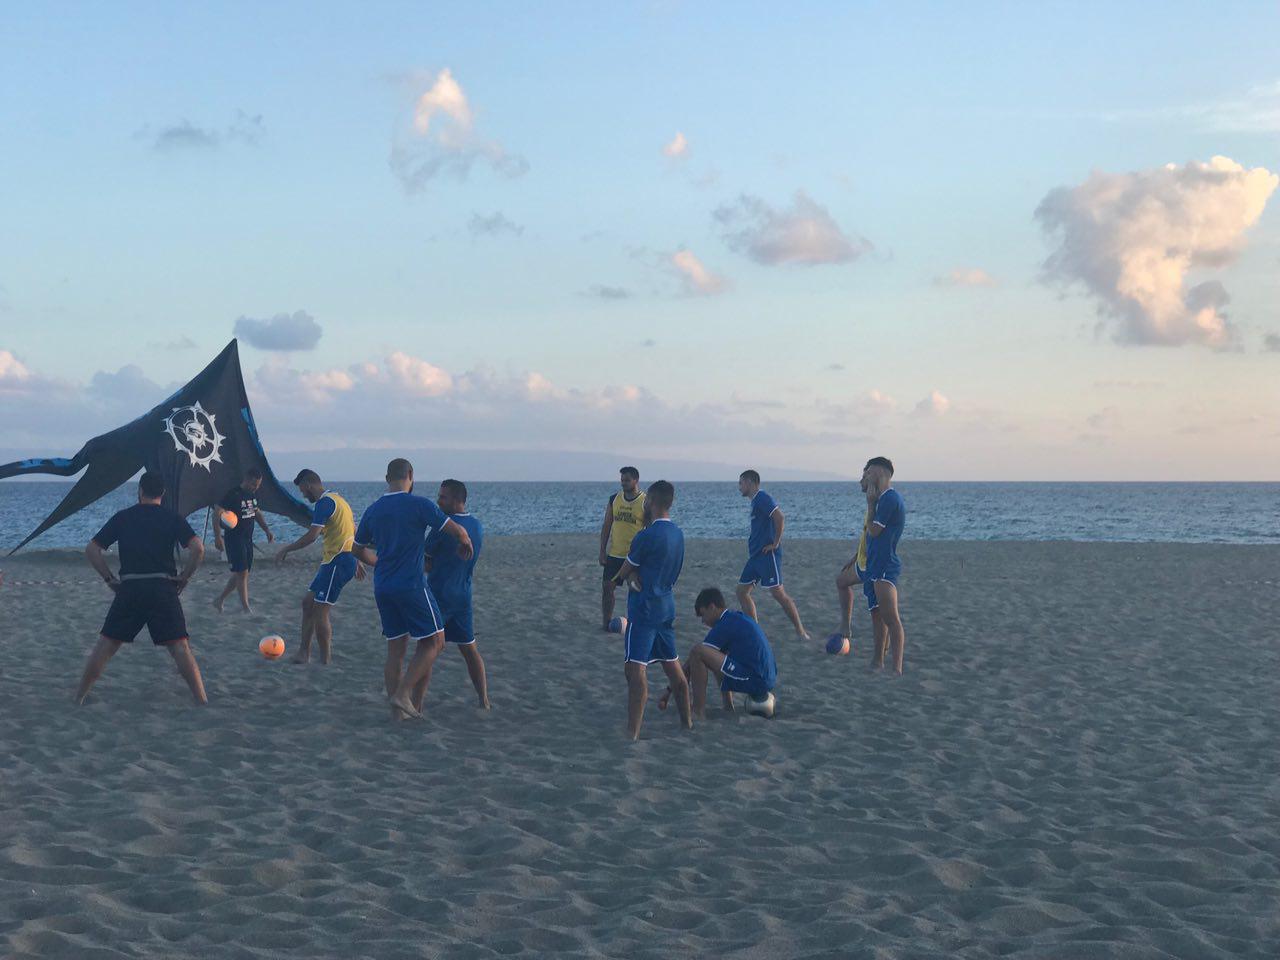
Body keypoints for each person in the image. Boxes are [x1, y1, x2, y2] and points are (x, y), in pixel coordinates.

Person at [352, 458, 474, 720]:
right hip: (411, 585)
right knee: (436, 640)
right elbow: (453, 527)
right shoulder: (419, 504)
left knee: (396, 650)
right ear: (410, 475)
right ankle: (403, 694)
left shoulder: (373, 510)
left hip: (383, 586)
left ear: (387, 478)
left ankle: (398, 715)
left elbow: (356, 548)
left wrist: (378, 562)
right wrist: (464, 537)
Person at [75, 471, 208, 705]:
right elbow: (198, 549)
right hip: (162, 587)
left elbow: (92, 550)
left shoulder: (123, 517)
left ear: (140, 491)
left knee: (106, 645)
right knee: (180, 647)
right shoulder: (171, 517)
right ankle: (201, 699)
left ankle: (79, 697)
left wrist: (109, 579)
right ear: (163, 493)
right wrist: (185, 577)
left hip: (131, 587)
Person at [608, 480, 691, 740]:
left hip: (644, 609)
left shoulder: (646, 536)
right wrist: (634, 576)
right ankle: (686, 723)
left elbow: (626, 569)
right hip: (666, 605)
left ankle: (632, 732)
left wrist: (617, 581)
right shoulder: (678, 534)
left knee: (636, 671)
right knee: (672, 665)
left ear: (651, 502)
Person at [276, 469, 362, 664]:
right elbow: (353, 530)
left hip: (337, 562)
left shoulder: (324, 503)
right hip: (337, 561)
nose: (304, 495)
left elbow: (312, 535)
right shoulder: (340, 500)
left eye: (303, 491)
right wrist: (357, 558)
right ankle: (304, 653)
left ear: (308, 485)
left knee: (321, 612)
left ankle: (325, 661)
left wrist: (286, 549)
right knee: (308, 604)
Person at [424, 479, 489, 709]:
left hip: (440, 595)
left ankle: (416, 703)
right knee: (470, 649)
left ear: (456, 500)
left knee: (428, 650)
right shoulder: (477, 526)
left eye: (442, 497)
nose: (438, 501)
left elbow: (427, 563)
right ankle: (484, 700)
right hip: (463, 595)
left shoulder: (443, 527)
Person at [668, 587, 777, 719]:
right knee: (715, 655)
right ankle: (728, 706)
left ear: (712, 607)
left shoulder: (725, 624)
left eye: (703, 614)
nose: (703, 621)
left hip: (755, 679)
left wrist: (669, 690)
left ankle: (698, 711)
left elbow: (695, 656)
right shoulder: (735, 617)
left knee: (699, 652)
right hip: (767, 679)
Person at [735, 470, 809, 640]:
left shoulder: (762, 497)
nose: (739, 487)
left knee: (778, 593)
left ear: (749, 482)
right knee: (741, 591)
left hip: (767, 556)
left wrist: (775, 543)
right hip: (755, 557)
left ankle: (800, 631)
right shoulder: (755, 502)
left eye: (741, 483)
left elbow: (779, 517)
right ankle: (756, 631)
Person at [863, 457, 907, 673]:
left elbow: (874, 530)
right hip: (873, 565)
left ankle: (896, 668)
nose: (866, 476)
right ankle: (878, 660)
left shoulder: (889, 498)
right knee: (876, 616)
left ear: (880, 473)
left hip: (884, 566)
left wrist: (870, 504)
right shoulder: (883, 499)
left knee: (891, 619)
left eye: (869, 472)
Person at [833, 459, 880, 651]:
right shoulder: (871, 504)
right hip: (861, 563)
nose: (861, 481)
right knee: (841, 581)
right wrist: (854, 557)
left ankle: (882, 651)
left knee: (878, 611)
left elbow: (876, 536)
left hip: (873, 566)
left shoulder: (877, 505)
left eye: (864, 477)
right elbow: (866, 537)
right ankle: (846, 626)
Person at [213, 467, 274, 613]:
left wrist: (267, 530)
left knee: (242, 573)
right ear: (246, 479)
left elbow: (257, 513)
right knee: (242, 572)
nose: (255, 487)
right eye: (254, 484)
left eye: (258, 485)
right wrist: (217, 537)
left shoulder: (253, 495)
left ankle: (219, 599)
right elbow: (217, 514)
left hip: (248, 539)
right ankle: (246, 607)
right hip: (234, 539)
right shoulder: (233, 494)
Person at [599, 466, 646, 630]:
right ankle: (606, 623)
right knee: (607, 588)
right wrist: (602, 551)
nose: (623, 483)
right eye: (622, 480)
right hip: (615, 554)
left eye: (627, 480)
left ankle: (636, 624)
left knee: (635, 590)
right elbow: (606, 526)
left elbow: (650, 529)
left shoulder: (645, 501)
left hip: (634, 556)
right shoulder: (614, 499)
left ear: (636, 480)